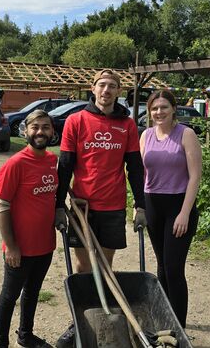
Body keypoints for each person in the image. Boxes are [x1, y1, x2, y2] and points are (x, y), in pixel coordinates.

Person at [55, 69, 146, 348]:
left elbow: (135, 168)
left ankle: (103, 319)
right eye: (102, 85)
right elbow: (65, 166)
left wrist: (140, 205)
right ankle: (80, 322)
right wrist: (59, 205)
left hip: (113, 206)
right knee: (84, 268)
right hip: (82, 208)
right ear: (92, 89)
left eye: (113, 86)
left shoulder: (127, 125)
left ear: (119, 91)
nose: (106, 90)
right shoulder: (76, 121)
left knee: (105, 266)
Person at [0, 110, 62, 348]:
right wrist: (11, 246)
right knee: (9, 296)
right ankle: (0, 343)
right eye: (35, 127)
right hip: (19, 248)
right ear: (25, 131)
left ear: (52, 132)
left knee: (32, 292)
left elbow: (54, 195)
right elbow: (2, 206)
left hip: (45, 244)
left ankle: (26, 335)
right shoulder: (15, 164)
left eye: (46, 127)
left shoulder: (52, 161)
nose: (40, 132)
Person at [140, 90, 202, 328]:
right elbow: (142, 173)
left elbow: (195, 176)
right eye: (155, 108)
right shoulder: (146, 135)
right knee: (162, 267)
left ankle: (179, 326)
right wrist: (140, 206)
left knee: (174, 268)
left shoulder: (186, 134)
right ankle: (164, 316)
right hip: (153, 204)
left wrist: (185, 213)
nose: (159, 112)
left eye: (164, 107)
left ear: (174, 108)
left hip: (178, 206)